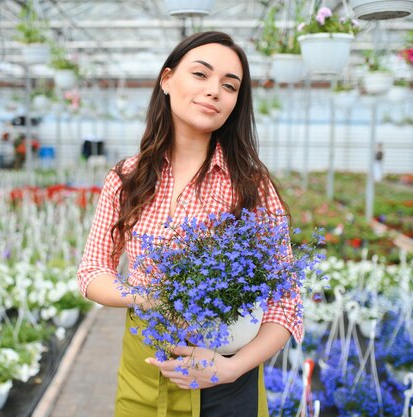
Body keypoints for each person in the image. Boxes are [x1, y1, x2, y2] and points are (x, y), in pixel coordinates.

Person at [77, 31, 302, 417]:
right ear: (167, 80)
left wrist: (231, 368)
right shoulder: (127, 177)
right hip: (144, 371)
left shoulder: (250, 185)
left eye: (229, 86)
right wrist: (151, 298)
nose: (214, 91)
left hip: (224, 379)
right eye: (201, 75)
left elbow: (286, 302)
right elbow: (92, 271)